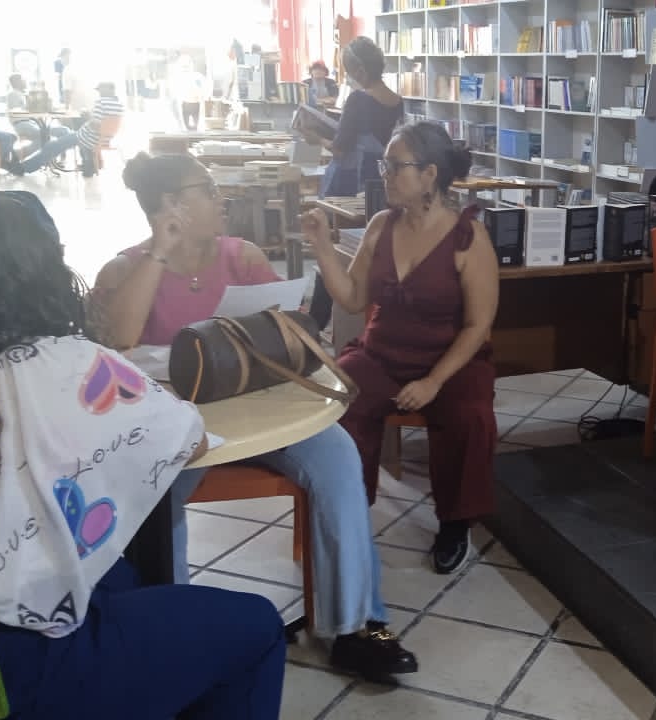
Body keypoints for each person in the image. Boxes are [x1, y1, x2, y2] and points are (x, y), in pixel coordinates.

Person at [0, 191, 286, 719]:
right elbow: (189, 438)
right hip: (23, 663)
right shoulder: (76, 367)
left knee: (119, 578)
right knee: (256, 626)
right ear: (45, 276)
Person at [90, 152, 417, 679]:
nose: (220, 199)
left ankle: (353, 626)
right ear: (171, 205)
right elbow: (118, 341)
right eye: (206, 189)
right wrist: (159, 251)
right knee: (159, 493)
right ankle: (170, 635)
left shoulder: (241, 257)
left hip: (260, 413)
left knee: (338, 455)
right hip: (179, 428)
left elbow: (283, 337)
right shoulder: (126, 269)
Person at [309, 120, 498, 574]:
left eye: (396, 166)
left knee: (469, 415)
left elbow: (478, 326)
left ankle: (455, 523)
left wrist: (433, 381)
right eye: (385, 165)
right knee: (342, 399)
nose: (386, 175)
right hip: (382, 354)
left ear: (430, 174)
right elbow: (354, 298)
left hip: (450, 360)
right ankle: (349, 511)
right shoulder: (381, 225)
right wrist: (322, 247)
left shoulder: (469, 237)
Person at [319, 37, 403, 197]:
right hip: (383, 180)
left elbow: (339, 150)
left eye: (349, 72)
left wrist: (316, 139)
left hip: (353, 181)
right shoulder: (398, 101)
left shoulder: (357, 99)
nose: (349, 77)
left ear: (360, 71)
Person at [12, 82, 124, 178]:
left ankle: (22, 168)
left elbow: (95, 125)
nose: (99, 92)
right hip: (103, 138)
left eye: (100, 90)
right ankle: (77, 163)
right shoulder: (119, 104)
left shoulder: (101, 102)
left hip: (86, 137)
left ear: (109, 89)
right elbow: (104, 123)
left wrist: (87, 117)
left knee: (51, 146)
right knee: (62, 134)